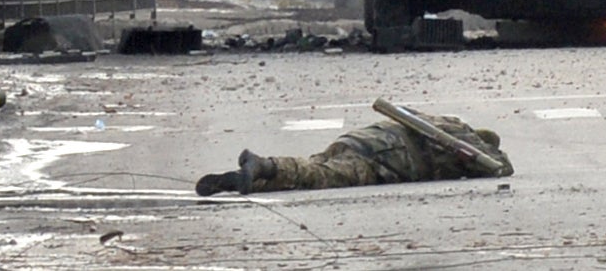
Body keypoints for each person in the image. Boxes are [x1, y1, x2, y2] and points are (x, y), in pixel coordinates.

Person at [195, 113, 511, 195]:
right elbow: (502, 168)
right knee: (321, 176)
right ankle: (264, 165)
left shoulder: (443, 123)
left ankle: (244, 180)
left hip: (361, 140)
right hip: (388, 157)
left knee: (313, 170)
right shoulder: (467, 144)